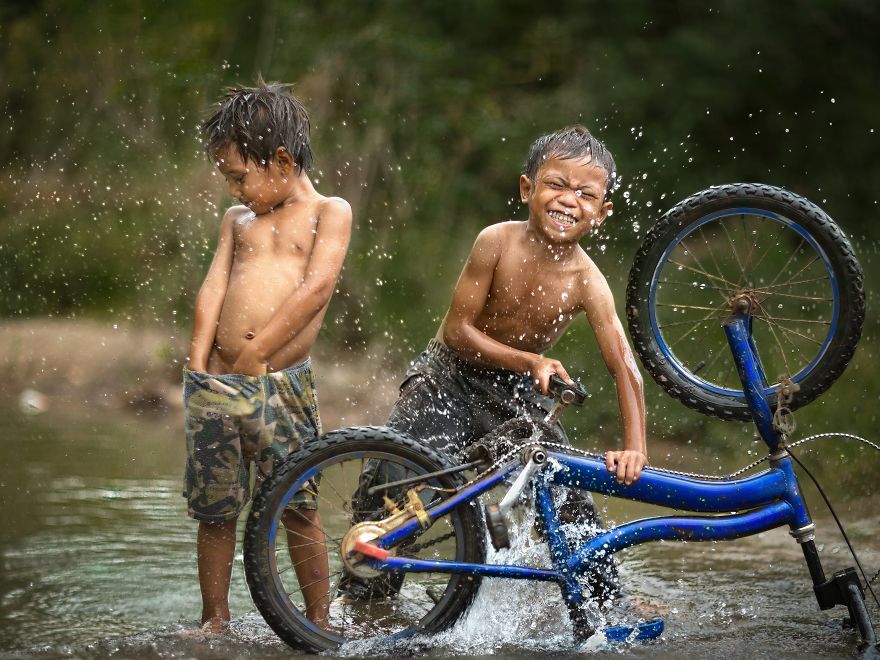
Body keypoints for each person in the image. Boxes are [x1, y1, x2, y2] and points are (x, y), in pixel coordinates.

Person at [346, 125, 646, 605]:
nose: (569, 200)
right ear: (527, 188)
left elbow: (624, 364)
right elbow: (457, 331)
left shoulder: (588, 281)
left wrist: (634, 448)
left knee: (569, 502)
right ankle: (364, 605)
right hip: (446, 377)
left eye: (586, 194)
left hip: (516, 395)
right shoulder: (497, 242)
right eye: (556, 184)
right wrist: (532, 360)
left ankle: (603, 606)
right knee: (390, 484)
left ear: (602, 212)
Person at [182, 80, 352, 634]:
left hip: (282, 384)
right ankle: (215, 620)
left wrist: (257, 351)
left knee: (299, 503)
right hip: (219, 385)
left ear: (281, 159)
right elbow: (213, 288)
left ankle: (320, 616)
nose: (235, 189)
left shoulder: (330, 211)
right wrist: (198, 358)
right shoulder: (238, 221)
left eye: (239, 175)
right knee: (216, 509)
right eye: (228, 178)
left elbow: (317, 289)